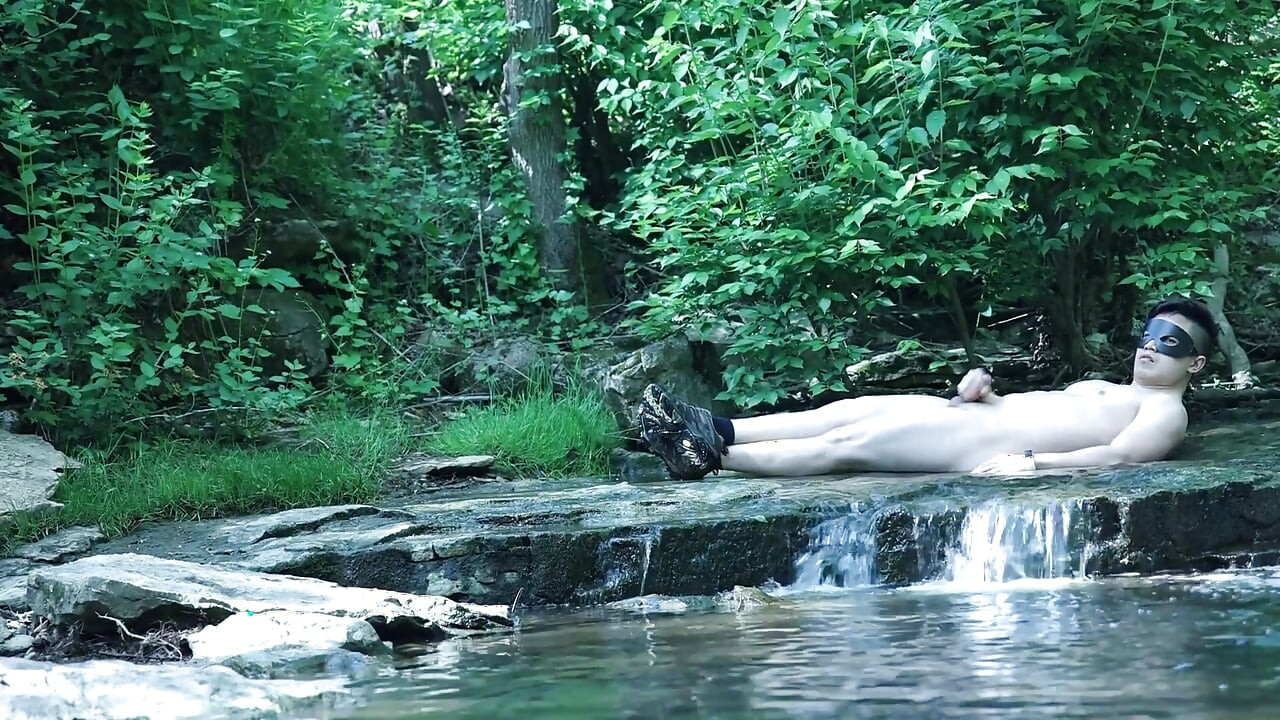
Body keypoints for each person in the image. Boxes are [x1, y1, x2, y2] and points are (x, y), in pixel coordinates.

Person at [637, 298, 1218, 479]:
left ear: (1194, 364)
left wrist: (1030, 464)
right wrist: (983, 389)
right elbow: (1041, 410)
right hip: (976, 415)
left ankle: (711, 457)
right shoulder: (1103, 386)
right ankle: (718, 427)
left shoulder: (1167, 412)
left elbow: (1120, 456)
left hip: (982, 444)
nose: (1150, 347)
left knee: (851, 443)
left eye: (1169, 343)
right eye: (1148, 336)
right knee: (852, 408)